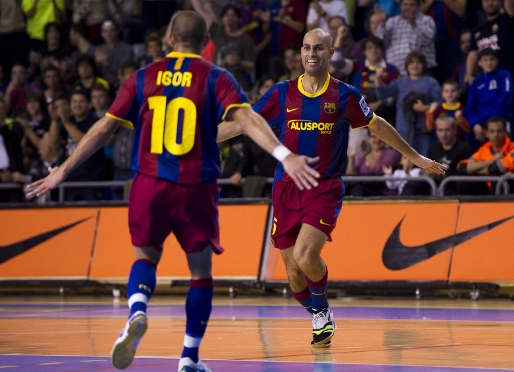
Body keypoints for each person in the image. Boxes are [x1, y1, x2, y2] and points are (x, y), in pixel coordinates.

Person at [27, 11, 319, 372]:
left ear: (168, 39)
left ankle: (137, 310)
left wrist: (64, 170)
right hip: (196, 187)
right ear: (205, 42)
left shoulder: (142, 77)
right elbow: (247, 120)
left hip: (149, 184)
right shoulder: (216, 76)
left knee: (145, 259)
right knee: (200, 275)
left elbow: (104, 128)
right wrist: (284, 154)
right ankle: (189, 358)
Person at [217, 28, 447, 348]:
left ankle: (321, 311)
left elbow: (377, 125)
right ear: (300, 53)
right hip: (286, 189)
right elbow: (245, 123)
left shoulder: (344, 95)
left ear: (331, 53)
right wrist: (198, 139)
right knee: (293, 272)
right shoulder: (282, 92)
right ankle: (317, 312)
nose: (312, 53)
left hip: (324, 188)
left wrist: (416, 157)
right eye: (307, 48)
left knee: (305, 255)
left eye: (319, 48)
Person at [465, 48, 513, 143]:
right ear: (479, 63)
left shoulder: (504, 75)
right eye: (485, 60)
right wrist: (475, 124)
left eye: (492, 59)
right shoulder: (476, 81)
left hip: (501, 121)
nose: (489, 63)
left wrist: (491, 122)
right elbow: (470, 107)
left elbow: (506, 98)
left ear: (497, 61)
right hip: (482, 125)